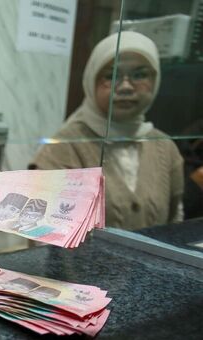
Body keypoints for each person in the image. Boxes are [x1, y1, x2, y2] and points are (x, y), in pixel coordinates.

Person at [30, 31, 184, 230]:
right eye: (111, 76)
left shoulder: (165, 148)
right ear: (91, 81)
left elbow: (175, 225)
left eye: (140, 75)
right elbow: (41, 233)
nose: (126, 87)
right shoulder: (63, 147)